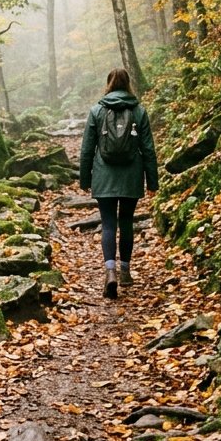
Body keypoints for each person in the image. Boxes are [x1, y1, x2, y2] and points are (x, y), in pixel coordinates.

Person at [78, 67, 159, 298]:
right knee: (126, 222)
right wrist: (152, 182)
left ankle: (110, 271)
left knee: (108, 223)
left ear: (108, 84)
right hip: (131, 175)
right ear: (128, 84)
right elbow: (148, 149)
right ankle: (125, 272)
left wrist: (85, 179)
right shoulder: (139, 111)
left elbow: (86, 149)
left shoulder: (97, 110)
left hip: (104, 176)